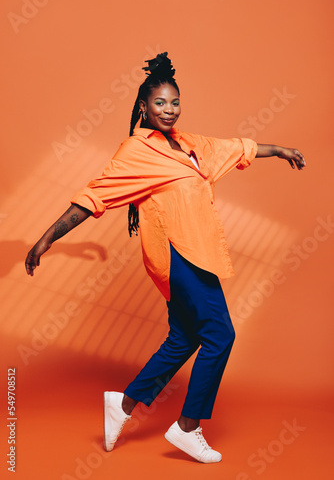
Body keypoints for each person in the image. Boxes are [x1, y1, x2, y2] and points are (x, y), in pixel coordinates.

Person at [25, 52, 306, 464]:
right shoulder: (137, 150)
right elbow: (94, 195)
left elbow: (234, 147)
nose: (169, 110)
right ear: (144, 107)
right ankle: (188, 427)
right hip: (179, 256)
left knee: (186, 337)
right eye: (160, 103)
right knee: (220, 334)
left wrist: (279, 148)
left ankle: (122, 404)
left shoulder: (190, 144)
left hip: (195, 254)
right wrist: (47, 238)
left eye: (174, 102)